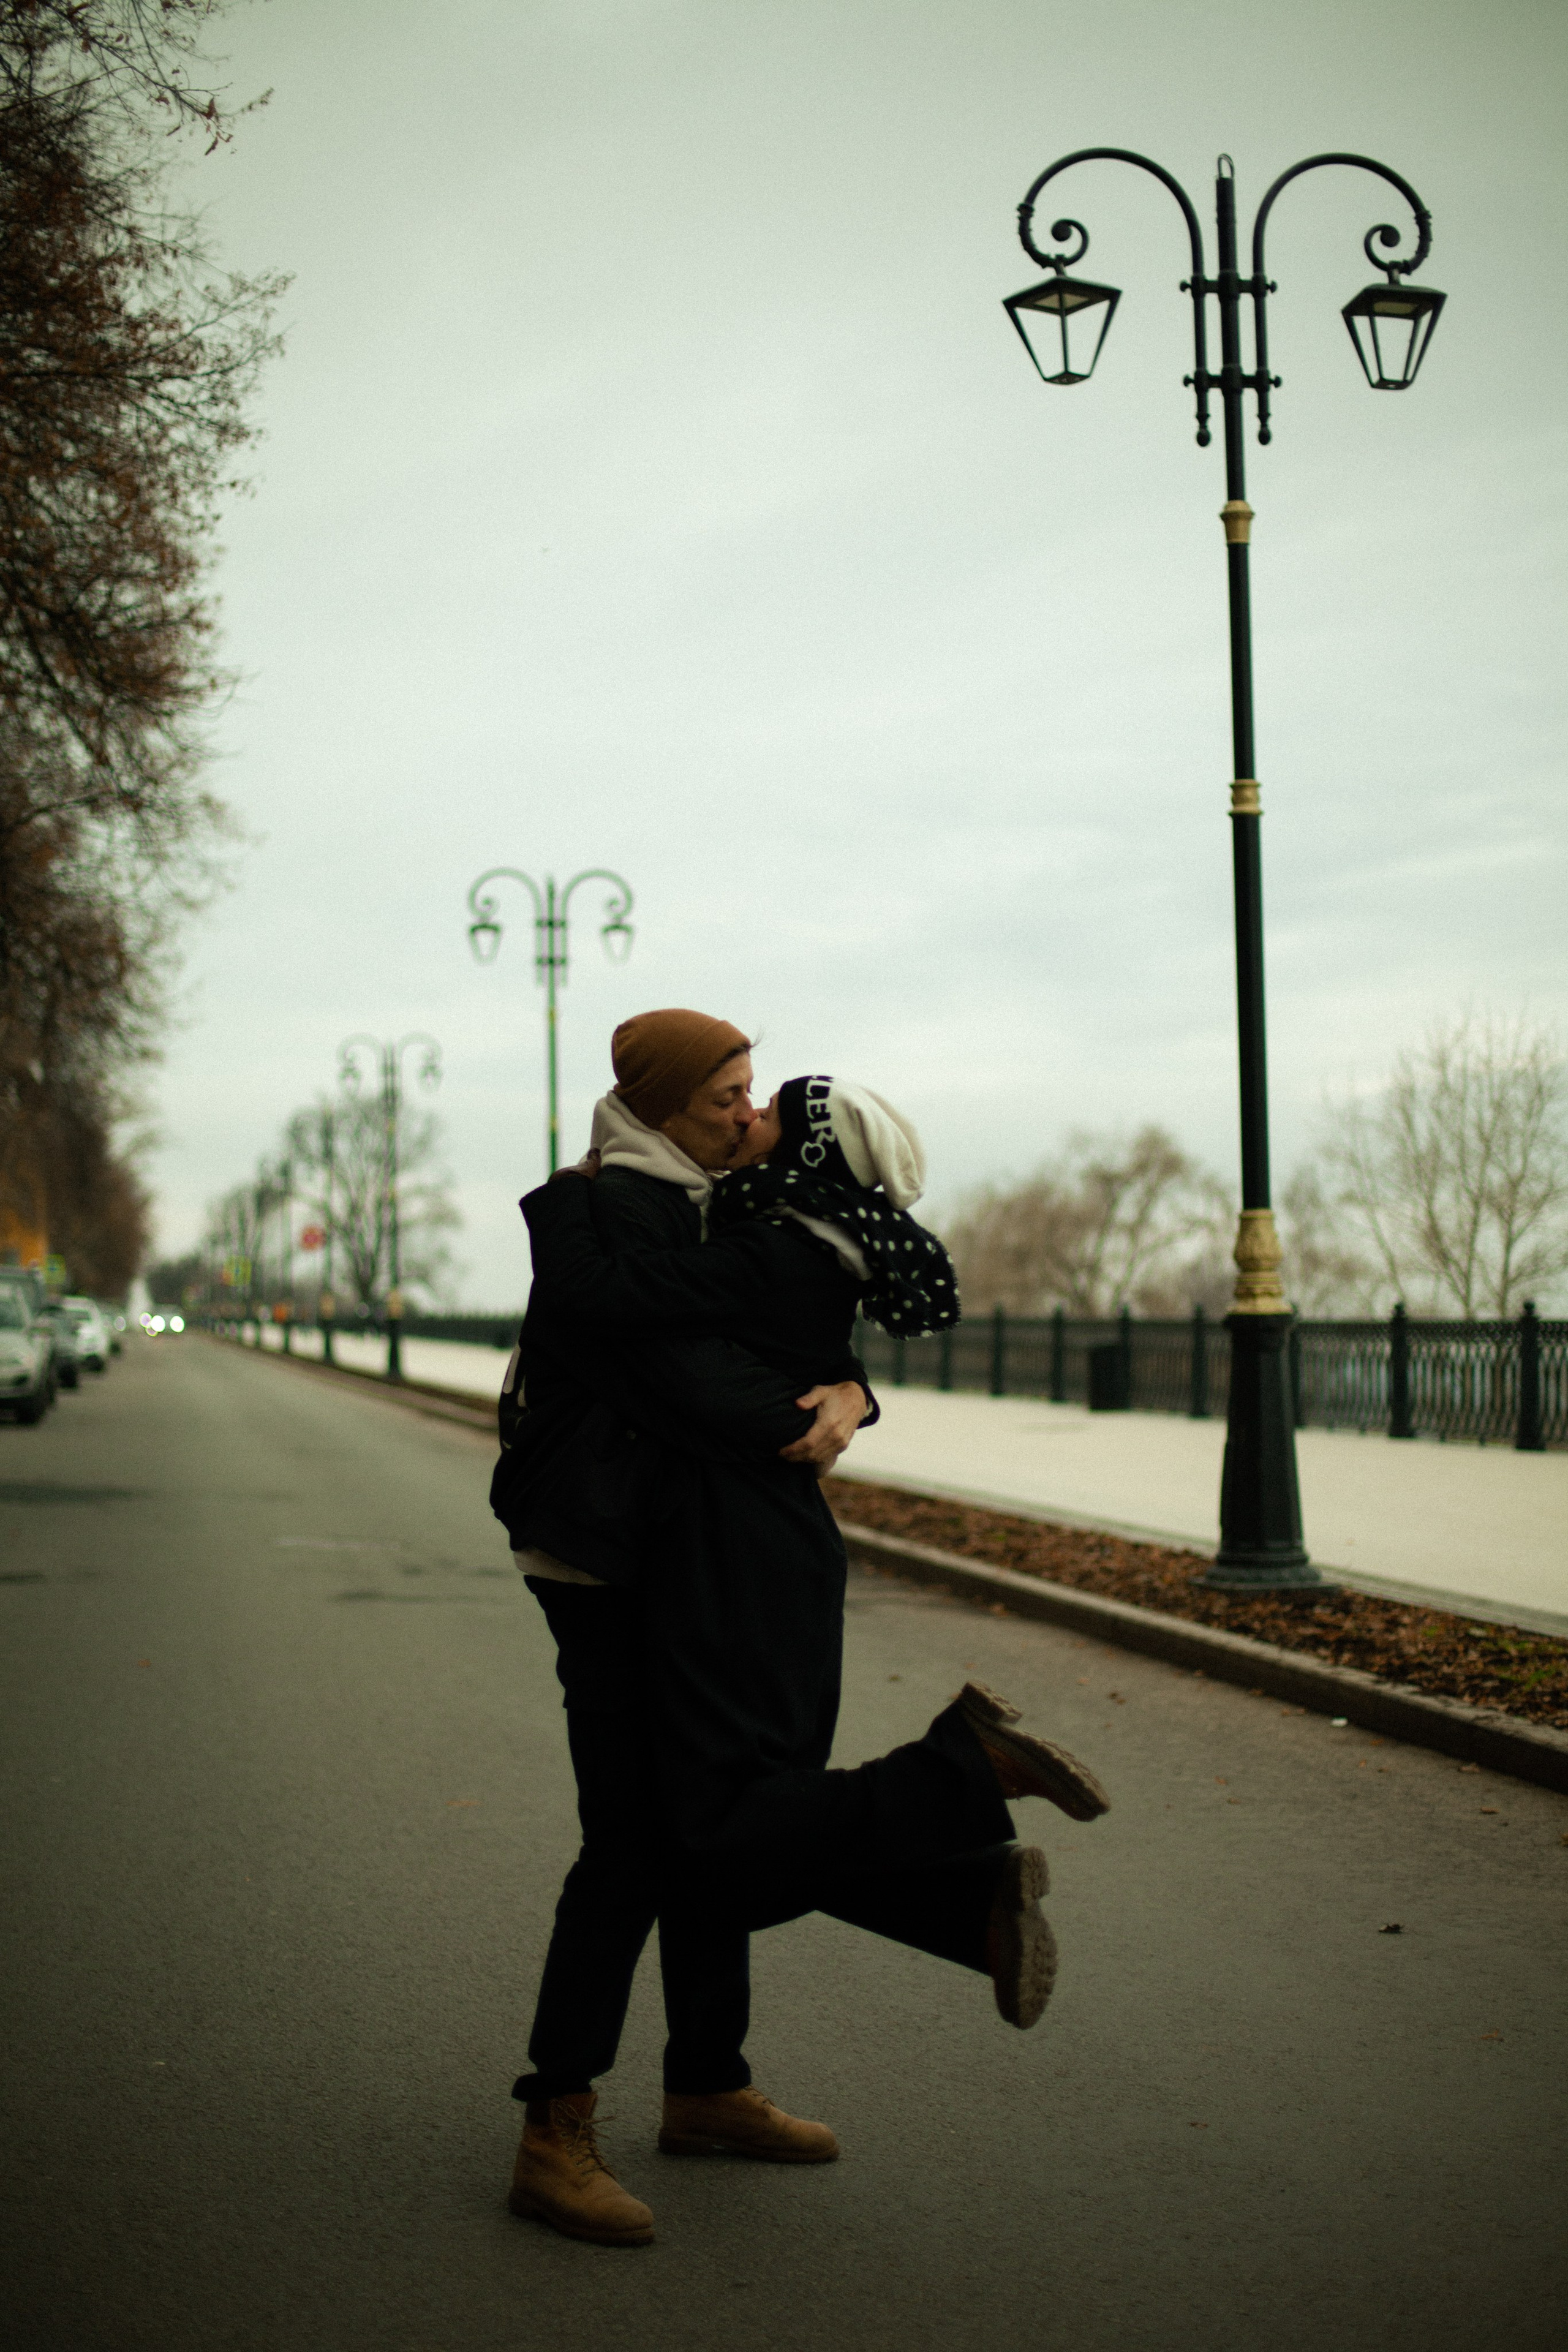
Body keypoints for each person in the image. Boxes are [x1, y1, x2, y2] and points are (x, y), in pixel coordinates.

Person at [498, 1014, 1109, 2247]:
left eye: (751, 1092)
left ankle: (705, 2082)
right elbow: (685, 1381)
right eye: (725, 1095)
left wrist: (852, 1390)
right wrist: (815, 1408)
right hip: (603, 1558)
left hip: (669, 1547)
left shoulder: (710, 1200)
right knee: (639, 1843)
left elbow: (780, 1329)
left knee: (709, 1817)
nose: (745, 1112)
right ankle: (553, 2128)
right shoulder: (619, 1207)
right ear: (661, 1105)